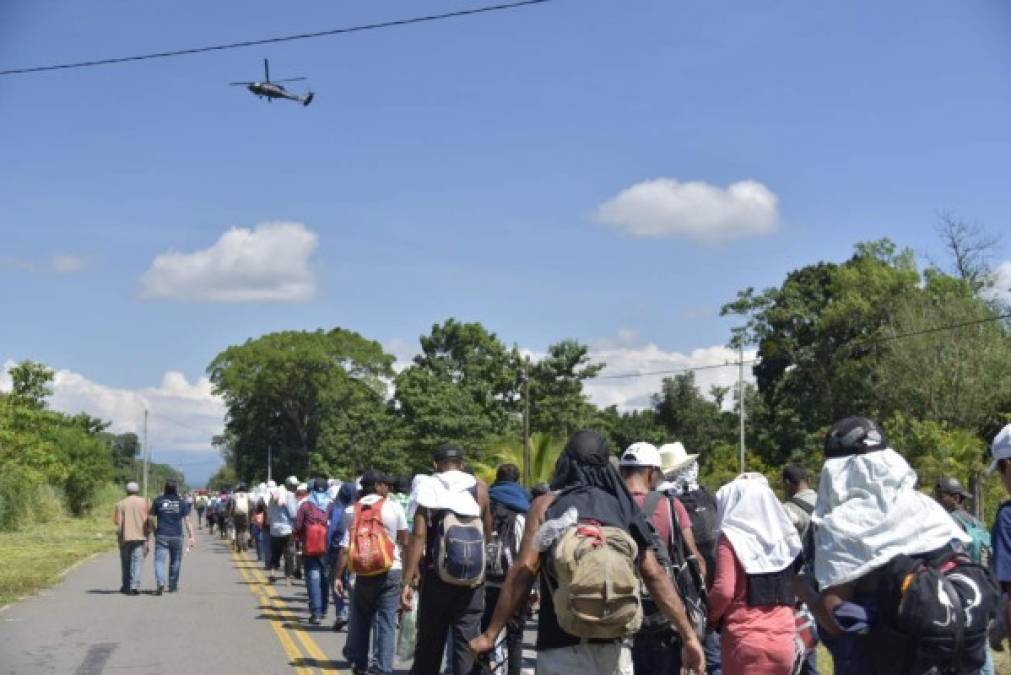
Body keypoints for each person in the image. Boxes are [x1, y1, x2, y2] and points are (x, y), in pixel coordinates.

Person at [469, 430, 705, 675]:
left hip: (559, 649)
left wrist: (490, 634)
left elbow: (524, 571)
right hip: (614, 651)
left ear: (566, 463)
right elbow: (654, 574)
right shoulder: (623, 509)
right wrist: (689, 636)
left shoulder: (546, 506)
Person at [797, 416, 972, 674]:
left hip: (877, 660)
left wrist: (804, 592)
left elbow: (836, 618)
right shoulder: (927, 508)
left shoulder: (843, 525)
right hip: (939, 656)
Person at [401, 444, 492, 675]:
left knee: (429, 645)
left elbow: (419, 535)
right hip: (472, 582)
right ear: (462, 464)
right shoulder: (479, 489)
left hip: (436, 578)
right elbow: (487, 534)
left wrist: (408, 580)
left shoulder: (428, 487)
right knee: (466, 645)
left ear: (435, 465)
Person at [619, 442, 705, 675]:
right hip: (663, 617)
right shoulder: (670, 505)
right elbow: (693, 558)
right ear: (651, 472)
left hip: (619, 617)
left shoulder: (610, 504)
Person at [707, 473, 802, 675]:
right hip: (784, 640)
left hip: (745, 640)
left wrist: (709, 618)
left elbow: (724, 590)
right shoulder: (785, 538)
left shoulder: (731, 539)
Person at [657, 441, 722, 675]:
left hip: (673, 590)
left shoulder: (659, 502)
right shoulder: (706, 497)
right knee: (711, 656)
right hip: (705, 593)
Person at [334, 471, 409, 675]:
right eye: (386, 485)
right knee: (386, 621)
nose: (389, 489)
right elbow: (405, 540)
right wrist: (410, 576)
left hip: (361, 572)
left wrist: (337, 577)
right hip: (390, 569)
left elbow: (345, 547)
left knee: (361, 618)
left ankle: (360, 664)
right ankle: (382, 669)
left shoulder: (351, 510)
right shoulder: (394, 507)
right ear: (377, 486)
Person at [473, 463, 530, 675]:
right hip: (514, 586)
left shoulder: (485, 504)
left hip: (485, 583)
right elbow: (526, 555)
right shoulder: (523, 511)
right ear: (517, 481)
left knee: (484, 634)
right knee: (515, 638)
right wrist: (532, 590)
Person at [295, 478, 334, 625]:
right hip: (327, 548)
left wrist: (299, 539)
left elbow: (298, 526)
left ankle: (316, 613)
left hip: (309, 548)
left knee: (313, 578)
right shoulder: (331, 505)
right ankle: (323, 609)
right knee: (324, 578)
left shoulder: (305, 505)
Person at [150, 479, 195, 595]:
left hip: (162, 535)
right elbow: (187, 520)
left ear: (165, 488)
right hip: (177, 536)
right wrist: (191, 536)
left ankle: (160, 582)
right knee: (175, 561)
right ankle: (173, 586)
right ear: (176, 489)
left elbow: (149, 518)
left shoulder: (158, 501)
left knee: (159, 561)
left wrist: (154, 531)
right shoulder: (182, 502)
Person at [329, 481, 358, 631]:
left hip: (340, 551)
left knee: (337, 581)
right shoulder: (359, 509)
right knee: (352, 584)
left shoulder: (339, 509)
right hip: (357, 553)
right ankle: (354, 615)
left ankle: (341, 612)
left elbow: (333, 531)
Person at [113, 481, 149, 595]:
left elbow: (117, 521)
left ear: (127, 491)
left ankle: (126, 585)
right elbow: (149, 519)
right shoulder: (145, 502)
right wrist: (149, 537)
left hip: (125, 537)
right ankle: (135, 585)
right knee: (138, 562)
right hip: (140, 536)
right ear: (138, 491)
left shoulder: (120, 504)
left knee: (125, 562)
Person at [267, 476, 299, 584]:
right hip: (286, 529)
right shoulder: (290, 496)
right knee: (288, 554)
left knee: (275, 552)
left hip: (274, 529)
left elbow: (269, 510)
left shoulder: (275, 494)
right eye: (294, 486)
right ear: (291, 486)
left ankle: (272, 573)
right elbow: (293, 514)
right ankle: (287, 578)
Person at [230, 482, 252, 553]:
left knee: (238, 530)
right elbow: (250, 506)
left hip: (237, 515)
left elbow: (232, 506)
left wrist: (231, 514)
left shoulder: (234, 495)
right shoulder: (247, 495)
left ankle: (239, 546)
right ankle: (245, 545)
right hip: (245, 514)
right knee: (245, 530)